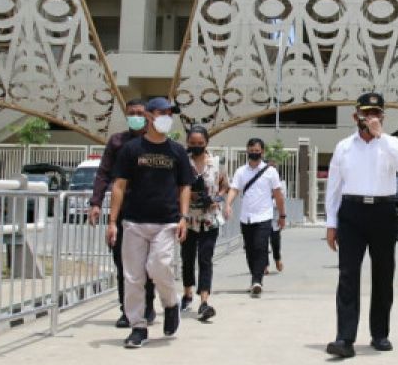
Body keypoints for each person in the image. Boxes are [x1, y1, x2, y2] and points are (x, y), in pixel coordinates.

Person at [324, 92, 398, 359]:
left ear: (382, 116)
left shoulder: (390, 143)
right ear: (356, 116)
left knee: (383, 274)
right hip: (352, 212)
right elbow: (334, 187)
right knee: (348, 275)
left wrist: (381, 136)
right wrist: (331, 222)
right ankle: (345, 337)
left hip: (383, 211)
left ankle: (380, 333)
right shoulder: (344, 147)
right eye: (366, 113)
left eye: (376, 114)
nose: (371, 118)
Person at [106, 97, 194, 349]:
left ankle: (170, 304)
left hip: (166, 222)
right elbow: (119, 185)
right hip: (133, 221)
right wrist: (112, 221)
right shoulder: (132, 150)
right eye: (161, 112)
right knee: (133, 276)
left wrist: (183, 217)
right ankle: (138, 326)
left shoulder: (176, 151)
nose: (166, 117)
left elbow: (185, 185)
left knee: (159, 266)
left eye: (170, 113)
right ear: (148, 116)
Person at [88, 98, 156, 328]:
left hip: (150, 211)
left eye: (140, 112)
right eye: (132, 113)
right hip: (124, 211)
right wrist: (96, 203)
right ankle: (127, 311)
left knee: (148, 265)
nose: (136, 116)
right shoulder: (117, 142)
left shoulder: (155, 142)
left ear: (148, 115)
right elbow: (103, 173)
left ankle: (148, 306)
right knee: (124, 265)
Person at [226, 138, 286, 297]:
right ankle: (255, 277)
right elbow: (234, 190)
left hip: (264, 217)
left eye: (257, 151)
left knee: (260, 248)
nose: (254, 154)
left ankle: (257, 280)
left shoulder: (270, 172)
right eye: (251, 151)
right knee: (250, 250)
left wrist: (282, 215)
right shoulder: (241, 171)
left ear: (262, 152)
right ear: (247, 151)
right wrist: (228, 204)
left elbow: (278, 196)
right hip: (246, 217)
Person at [182, 125, 228, 323]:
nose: (196, 147)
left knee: (205, 259)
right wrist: (188, 195)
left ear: (207, 143)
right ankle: (187, 292)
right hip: (188, 219)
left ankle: (204, 301)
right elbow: (176, 186)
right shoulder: (183, 162)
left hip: (209, 219)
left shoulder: (216, 163)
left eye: (200, 143)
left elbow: (225, 185)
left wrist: (217, 199)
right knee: (187, 258)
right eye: (192, 143)